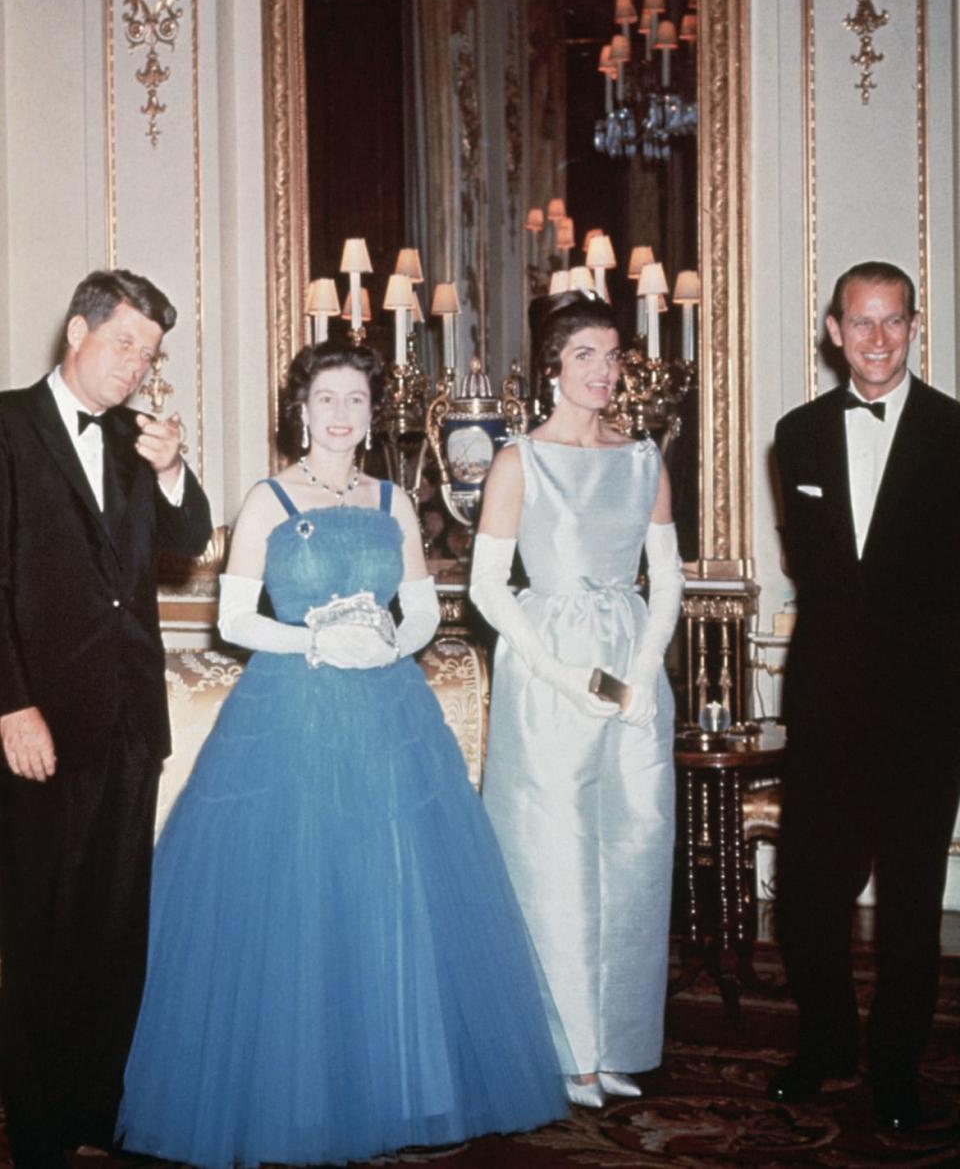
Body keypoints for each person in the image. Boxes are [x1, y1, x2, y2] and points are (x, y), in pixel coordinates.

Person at [116, 340, 568, 1169]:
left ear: (370, 413)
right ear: (301, 409)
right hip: (290, 709)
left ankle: (403, 1085)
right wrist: (318, 637)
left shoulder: (395, 498)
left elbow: (430, 608)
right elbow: (236, 621)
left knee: (390, 889)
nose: (340, 414)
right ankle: (293, 1096)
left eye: (355, 400)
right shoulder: (267, 499)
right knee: (296, 897)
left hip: (385, 711)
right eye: (326, 398)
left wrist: (391, 640)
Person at [0, 269, 213, 1168]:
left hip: (131, 719)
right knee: (38, 930)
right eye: (125, 343)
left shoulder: (137, 440)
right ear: (76, 333)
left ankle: (95, 1105)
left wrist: (172, 471)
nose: (137, 367)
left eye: (151, 353)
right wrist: (11, 702)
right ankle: (40, 1129)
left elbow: (186, 544)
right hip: (39, 720)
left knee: (114, 930)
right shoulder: (6, 428)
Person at [470, 289, 683, 1108]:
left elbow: (664, 578)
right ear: (553, 368)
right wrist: (565, 675)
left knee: (634, 847)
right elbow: (489, 588)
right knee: (556, 859)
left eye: (612, 353)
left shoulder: (642, 458)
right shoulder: (519, 459)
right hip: (550, 670)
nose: (603, 369)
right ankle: (567, 1050)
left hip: (632, 670)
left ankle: (619, 1039)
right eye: (583, 354)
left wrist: (641, 667)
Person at [769, 260, 960, 1131]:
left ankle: (894, 1073)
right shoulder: (798, 434)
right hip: (827, 704)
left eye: (894, 322)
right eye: (862, 322)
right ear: (834, 330)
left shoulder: (955, 431)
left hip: (925, 711)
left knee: (912, 910)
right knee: (810, 895)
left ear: (913, 327)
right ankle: (827, 1044)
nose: (878, 339)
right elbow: (818, 572)